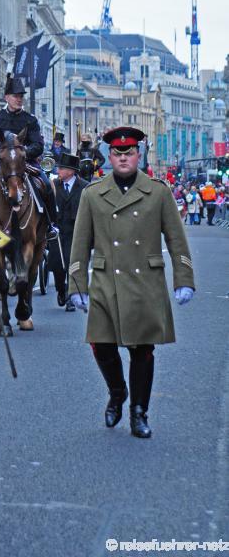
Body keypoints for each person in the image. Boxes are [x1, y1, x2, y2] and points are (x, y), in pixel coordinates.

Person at [68, 127, 195, 438]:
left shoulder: (159, 191)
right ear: (109, 157)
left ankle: (139, 411)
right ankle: (117, 392)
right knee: (101, 346)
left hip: (144, 280)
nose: (123, 158)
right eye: (117, 153)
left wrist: (184, 278)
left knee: (143, 350)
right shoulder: (92, 194)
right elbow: (80, 243)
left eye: (129, 153)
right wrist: (76, 284)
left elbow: (176, 240)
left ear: (138, 155)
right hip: (105, 278)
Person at [0, 74, 59, 240]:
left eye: (21, 96)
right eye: (16, 96)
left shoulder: (30, 120)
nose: (19, 99)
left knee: (47, 185)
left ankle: (50, 225)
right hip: (1, 163)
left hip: (25, 163)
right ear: (7, 97)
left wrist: (20, 154)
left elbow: (38, 145)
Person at [52, 153, 88, 308]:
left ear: (71, 171)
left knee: (72, 265)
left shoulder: (85, 187)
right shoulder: (54, 185)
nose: (58, 170)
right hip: (58, 233)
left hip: (75, 231)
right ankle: (61, 290)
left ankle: (70, 297)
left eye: (61, 168)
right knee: (57, 267)